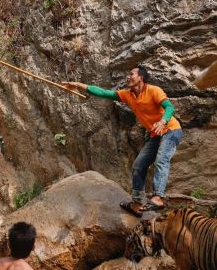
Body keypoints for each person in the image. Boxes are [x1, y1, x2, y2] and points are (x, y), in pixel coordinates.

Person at [62, 65, 183, 218]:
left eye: (131, 73)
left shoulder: (153, 90)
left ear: (141, 78)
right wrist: (79, 85)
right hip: (155, 135)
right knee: (139, 165)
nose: (127, 77)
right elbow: (105, 93)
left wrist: (162, 122)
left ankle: (158, 198)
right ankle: (137, 204)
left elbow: (169, 108)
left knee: (161, 160)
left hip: (171, 130)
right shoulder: (128, 95)